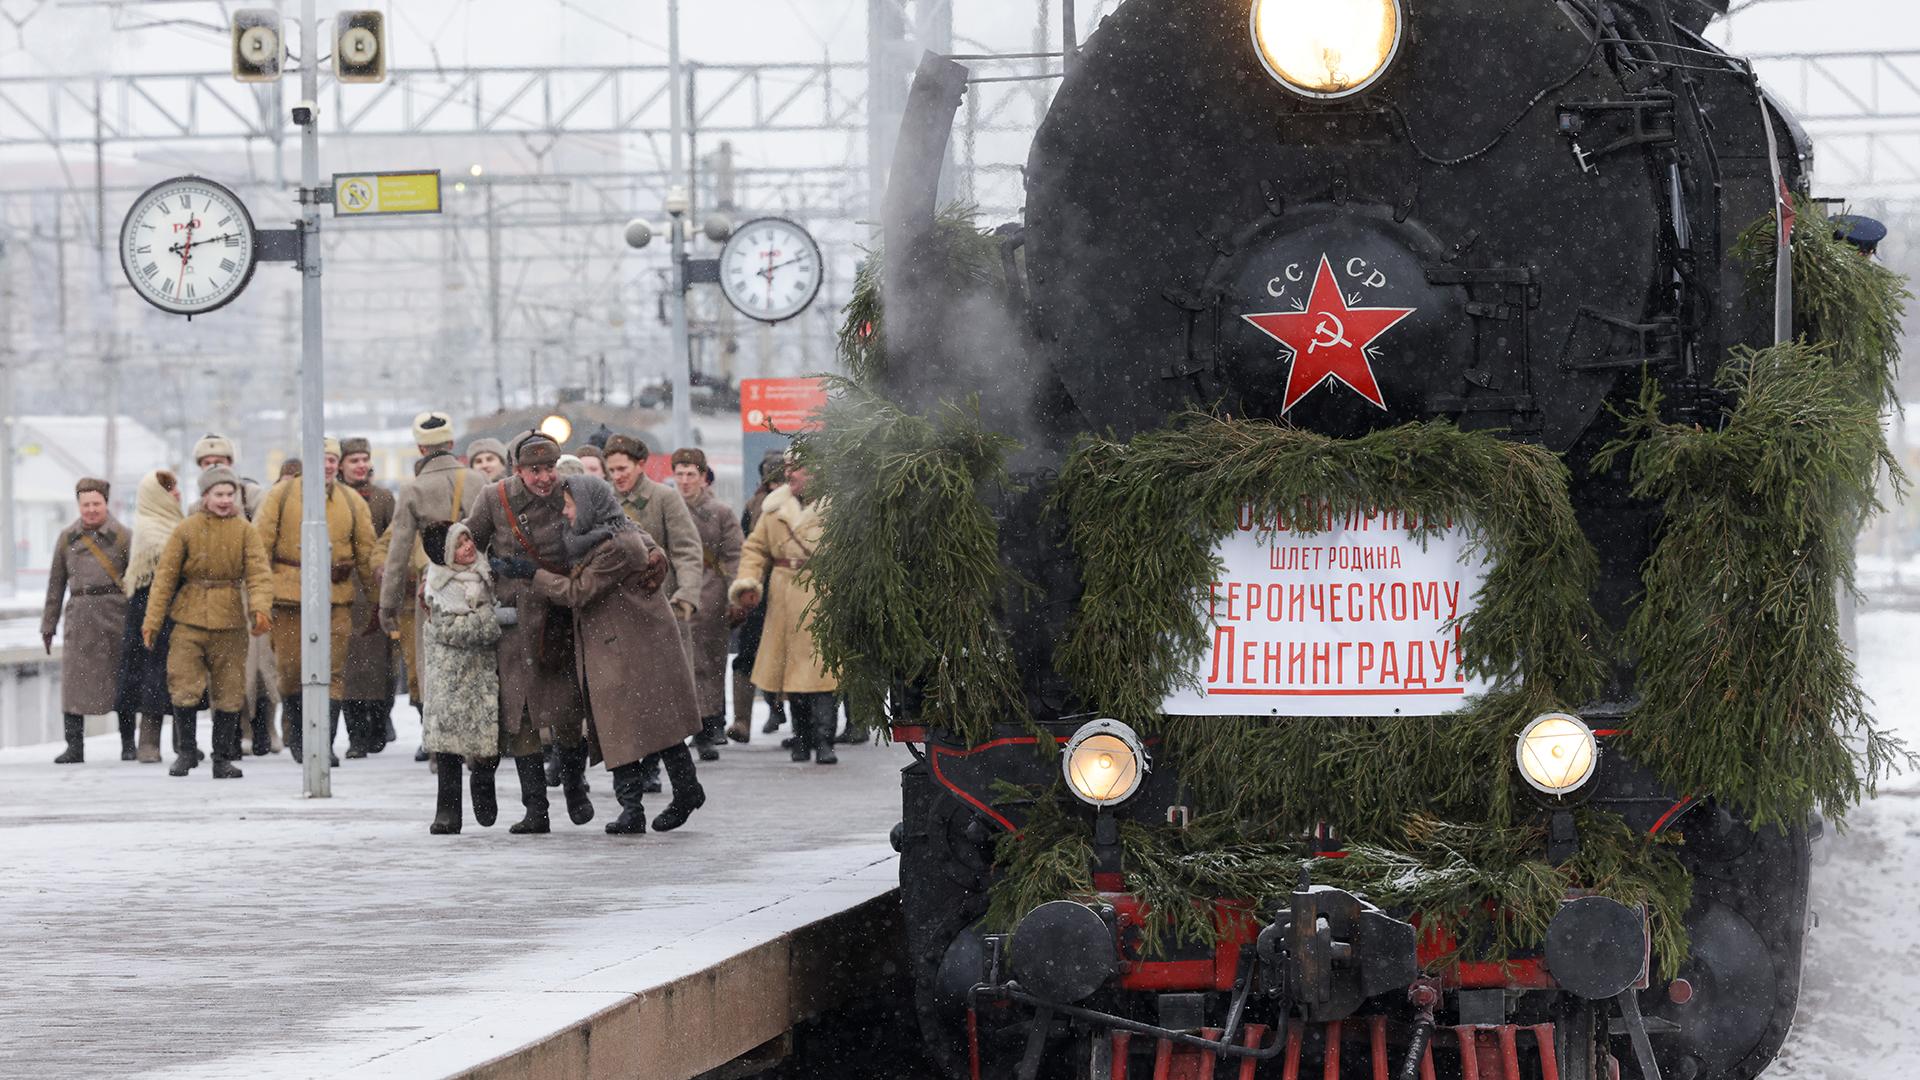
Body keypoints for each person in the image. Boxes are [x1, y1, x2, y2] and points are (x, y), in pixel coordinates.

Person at [495, 475, 702, 834]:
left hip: (633, 647)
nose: (566, 513)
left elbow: (578, 591)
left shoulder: (617, 545)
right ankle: (638, 806)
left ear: (590, 505)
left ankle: (678, 793)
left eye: (570, 505)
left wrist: (533, 575)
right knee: (622, 727)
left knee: (647, 725)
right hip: (614, 647)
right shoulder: (595, 537)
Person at [461, 431, 593, 833]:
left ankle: (575, 787)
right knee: (522, 717)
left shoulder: (574, 491)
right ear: (517, 470)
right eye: (534, 470)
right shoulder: (494, 498)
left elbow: (611, 529)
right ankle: (536, 809)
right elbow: (465, 544)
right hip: (515, 625)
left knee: (568, 712)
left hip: (561, 616)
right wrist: (449, 582)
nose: (544, 477)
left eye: (549, 467)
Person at [254, 437, 380, 766]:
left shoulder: (352, 501)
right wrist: (259, 600)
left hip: (335, 598)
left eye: (332, 460)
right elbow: (259, 550)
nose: (327, 465)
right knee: (290, 670)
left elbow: (366, 555)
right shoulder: (280, 496)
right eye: (321, 458)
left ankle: (323, 742)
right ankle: (299, 737)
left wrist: (378, 603)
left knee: (332, 671)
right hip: (288, 598)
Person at [142, 466, 273, 779]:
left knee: (230, 688)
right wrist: (152, 621)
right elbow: (165, 578)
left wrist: (260, 609)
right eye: (219, 494)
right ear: (205, 496)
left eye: (229, 494)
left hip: (230, 619)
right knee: (183, 684)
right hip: (189, 617)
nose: (225, 500)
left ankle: (222, 757)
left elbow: (259, 574)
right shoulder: (186, 530)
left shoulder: (245, 531)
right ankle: (186, 751)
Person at [381, 412, 490, 762]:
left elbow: (398, 553)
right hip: (477, 586)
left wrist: (388, 604)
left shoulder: (413, 490)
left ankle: (444, 751)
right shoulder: (478, 481)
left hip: (435, 588)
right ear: (452, 443)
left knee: (435, 667)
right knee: (477, 664)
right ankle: (480, 745)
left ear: (420, 448)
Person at [602, 434, 704, 789]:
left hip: (663, 611)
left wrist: (686, 596)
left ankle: (655, 767)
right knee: (628, 695)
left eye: (623, 468)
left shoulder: (664, 498)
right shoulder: (605, 501)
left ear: (640, 465)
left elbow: (687, 550)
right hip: (620, 615)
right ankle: (636, 768)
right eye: (612, 470)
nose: (617, 476)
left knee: (663, 695)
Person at [729, 456, 841, 763]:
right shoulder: (774, 508)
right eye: (789, 467)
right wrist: (749, 581)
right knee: (793, 676)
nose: (789, 473)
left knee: (823, 674)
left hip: (822, 595)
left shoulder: (837, 508)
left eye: (797, 468)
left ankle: (824, 741)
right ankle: (802, 739)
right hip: (784, 597)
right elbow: (755, 549)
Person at [189, 433, 274, 754]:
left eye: (219, 462)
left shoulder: (253, 497)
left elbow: (261, 543)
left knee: (259, 668)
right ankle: (230, 736)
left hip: (249, 590)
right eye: (207, 463)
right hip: (214, 597)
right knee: (221, 667)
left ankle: (263, 730)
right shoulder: (195, 509)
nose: (213, 467)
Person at [418, 521, 503, 835]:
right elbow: (453, 630)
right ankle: (447, 811)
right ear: (445, 554)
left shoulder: (486, 573)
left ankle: (483, 787)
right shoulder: (438, 587)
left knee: (486, 742)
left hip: (482, 674)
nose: (468, 547)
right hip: (449, 679)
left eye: (468, 540)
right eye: (459, 545)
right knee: (448, 748)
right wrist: (490, 620)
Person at [41, 478, 134, 764]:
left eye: (97, 504)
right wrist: (48, 626)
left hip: (116, 615)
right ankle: (74, 747)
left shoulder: (123, 536)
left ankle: (128, 744)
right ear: (78, 506)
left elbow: (137, 581)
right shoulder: (67, 538)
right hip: (80, 616)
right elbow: (56, 585)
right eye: (86, 505)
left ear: (106, 503)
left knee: (122, 681)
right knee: (74, 684)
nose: (91, 510)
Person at [670, 448, 743, 761]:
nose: (685, 481)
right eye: (680, 474)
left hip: (710, 593)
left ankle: (707, 728)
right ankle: (682, 728)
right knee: (677, 666)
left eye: (691, 474)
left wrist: (734, 593)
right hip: (674, 592)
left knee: (708, 664)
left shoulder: (720, 512)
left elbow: (734, 554)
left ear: (702, 477)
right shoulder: (667, 506)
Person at [118, 470, 186, 765]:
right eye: (169, 489)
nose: (176, 494)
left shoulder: (180, 524)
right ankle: (148, 742)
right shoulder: (149, 528)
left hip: (179, 605)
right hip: (149, 608)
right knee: (152, 674)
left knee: (183, 674)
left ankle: (183, 743)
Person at [338, 436, 397, 758]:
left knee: (381, 667)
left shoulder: (383, 498)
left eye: (364, 459)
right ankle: (356, 736)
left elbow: (394, 540)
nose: (360, 465)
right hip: (345, 592)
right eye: (353, 460)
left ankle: (378, 724)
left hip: (376, 591)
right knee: (350, 670)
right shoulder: (334, 500)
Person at [728, 449, 789, 742]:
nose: (775, 487)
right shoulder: (755, 506)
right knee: (749, 655)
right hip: (759, 592)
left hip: (788, 590)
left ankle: (797, 724)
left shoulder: (798, 504)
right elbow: (747, 548)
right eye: (771, 481)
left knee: (790, 658)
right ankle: (742, 721)